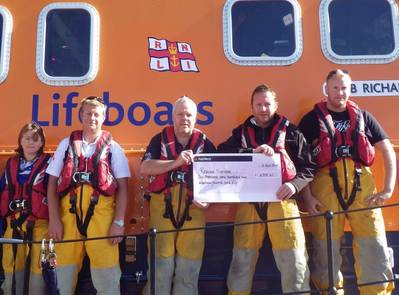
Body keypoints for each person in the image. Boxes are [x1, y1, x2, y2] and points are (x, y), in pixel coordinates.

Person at [299, 69, 396, 294]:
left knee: (374, 244)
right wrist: (307, 197)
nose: (340, 93)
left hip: (363, 187)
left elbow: (387, 150)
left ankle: (377, 291)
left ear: (350, 89)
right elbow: (300, 161)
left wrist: (388, 189)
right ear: (326, 89)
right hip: (324, 188)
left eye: (344, 88)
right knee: (325, 247)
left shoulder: (364, 116)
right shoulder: (311, 120)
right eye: (335, 87)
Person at [218, 84, 316, 295]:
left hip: (283, 204)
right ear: (251, 107)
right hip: (249, 204)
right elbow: (222, 154)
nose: (263, 109)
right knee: (241, 260)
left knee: (294, 259)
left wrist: (293, 185)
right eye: (259, 104)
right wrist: (250, 152)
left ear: (276, 105)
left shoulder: (291, 132)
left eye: (267, 104)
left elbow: (308, 167)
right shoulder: (240, 133)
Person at [46, 96, 130, 294]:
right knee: (62, 281)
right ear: (81, 115)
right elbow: (51, 184)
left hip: (102, 223)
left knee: (108, 281)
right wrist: (54, 220)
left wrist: (118, 223)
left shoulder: (113, 148)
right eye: (88, 113)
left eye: (97, 114)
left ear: (103, 117)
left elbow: (124, 188)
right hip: (68, 221)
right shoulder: (66, 145)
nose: (92, 118)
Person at [140, 96, 216, 295]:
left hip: (194, 212)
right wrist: (175, 163)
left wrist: (208, 201)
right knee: (160, 268)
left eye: (189, 114)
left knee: (188, 271)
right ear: (173, 117)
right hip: (162, 210)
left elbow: (218, 179)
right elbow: (145, 167)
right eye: (180, 114)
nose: (185, 118)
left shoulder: (206, 143)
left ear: (196, 118)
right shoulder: (159, 139)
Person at [0, 122, 50, 294]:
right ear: (20, 141)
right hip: (12, 224)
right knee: (11, 266)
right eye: (27, 138)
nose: (31, 143)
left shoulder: (49, 164)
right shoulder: (10, 165)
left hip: (40, 225)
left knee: (40, 267)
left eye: (36, 140)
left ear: (42, 143)